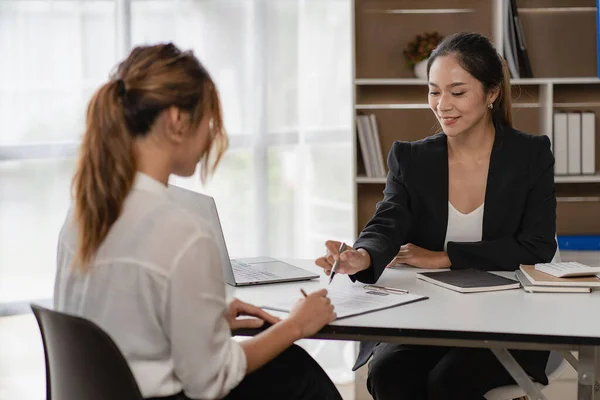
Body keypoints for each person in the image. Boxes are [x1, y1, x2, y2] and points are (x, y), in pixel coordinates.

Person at [53, 43, 343, 400]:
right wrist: (298, 324)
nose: (212, 136)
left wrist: (206, 323)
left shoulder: (82, 214)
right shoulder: (182, 233)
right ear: (177, 121)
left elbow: (117, 332)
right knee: (296, 371)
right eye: (210, 120)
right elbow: (212, 381)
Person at [316, 32, 557, 400]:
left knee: (448, 383)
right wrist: (362, 255)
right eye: (434, 91)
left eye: (457, 92)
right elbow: (389, 219)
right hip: (428, 319)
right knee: (388, 374)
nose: (442, 105)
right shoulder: (412, 159)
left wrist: (446, 257)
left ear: (492, 93)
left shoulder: (530, 156)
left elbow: (537, 246)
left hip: (508, 321)